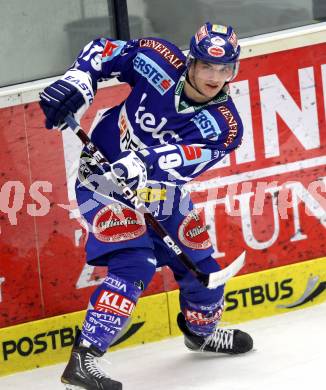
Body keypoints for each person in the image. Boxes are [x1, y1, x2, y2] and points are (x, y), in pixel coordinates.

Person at [39, 22, 253, 390]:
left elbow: (185, 158)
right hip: (102, 180)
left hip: (159, 190)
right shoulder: (158, 57)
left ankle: (200, 333)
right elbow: (102, 52)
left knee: (203, 267)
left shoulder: (225, 125)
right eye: (207, 66)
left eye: (225, 69)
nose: (216, 77)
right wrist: (79, 81)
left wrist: (143, 162)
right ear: (191, 62)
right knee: (134, 263)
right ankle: (84, 358)